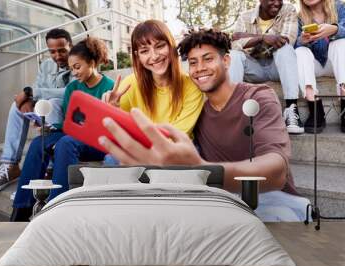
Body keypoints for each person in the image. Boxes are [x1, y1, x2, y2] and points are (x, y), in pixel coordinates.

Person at [99, 28, 310, 222]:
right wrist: (114, 112)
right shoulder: (199, 113)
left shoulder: (258, 96)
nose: (200, 69)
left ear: (226, 60)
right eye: (193, 62)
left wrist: (202, 169)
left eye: (208, 59)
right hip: (223, 202)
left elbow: (276, 171)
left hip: (273, 199)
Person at [10, 37, 114, 221]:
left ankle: (57, 207)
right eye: (71, 67)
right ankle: (21, 209)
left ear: (91, 63)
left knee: (66, 143)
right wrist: (48, 127)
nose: (74, 73)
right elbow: (68, 122)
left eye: (77, 67)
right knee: (38, 144)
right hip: (73, 134)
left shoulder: (109, 87)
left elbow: (108, 127)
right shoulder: (72, 88)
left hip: (98, 140)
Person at [0, 28, 74, 192]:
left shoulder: (79, 62)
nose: (57, 56)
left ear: (70, 46)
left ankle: (50, 167)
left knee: (53, 102)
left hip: (66, 115)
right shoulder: (46, 65)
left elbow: (72, 92)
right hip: (46, 111)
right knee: (16, 106)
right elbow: (37, 88)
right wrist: (28, 100)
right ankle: (10, 165)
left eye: (62, 51)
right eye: (52, 51)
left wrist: (33, 93)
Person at [104, 20, 204, 138]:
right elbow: (117, 132)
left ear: (171, 46)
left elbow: (177, 137)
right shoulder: (129, 84)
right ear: (138, 56)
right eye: (144, 51)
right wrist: (113, 112)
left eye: (160, 46)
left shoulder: (191, 87)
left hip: (175, 151)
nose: (154, 56)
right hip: (139, 147)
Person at [229, 0, 304, 134]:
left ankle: (291, 109)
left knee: (285, 49)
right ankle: (232, 112)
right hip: (254, 68)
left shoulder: (288, 10)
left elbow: (286, 40)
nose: (276, 3)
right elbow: (234, 44)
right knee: (234, 55)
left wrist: (246, 38)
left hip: (278, 67)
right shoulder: (245, 16)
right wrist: (263, 37)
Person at [295, 0, 345, 133]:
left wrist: (335, 29)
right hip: (315, 64)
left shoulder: (339, 7)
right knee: (300, 51)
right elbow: (293, 46)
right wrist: (302, 41)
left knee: (340, 44)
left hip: (334, 63)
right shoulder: (300, 16)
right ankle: (315, 108)